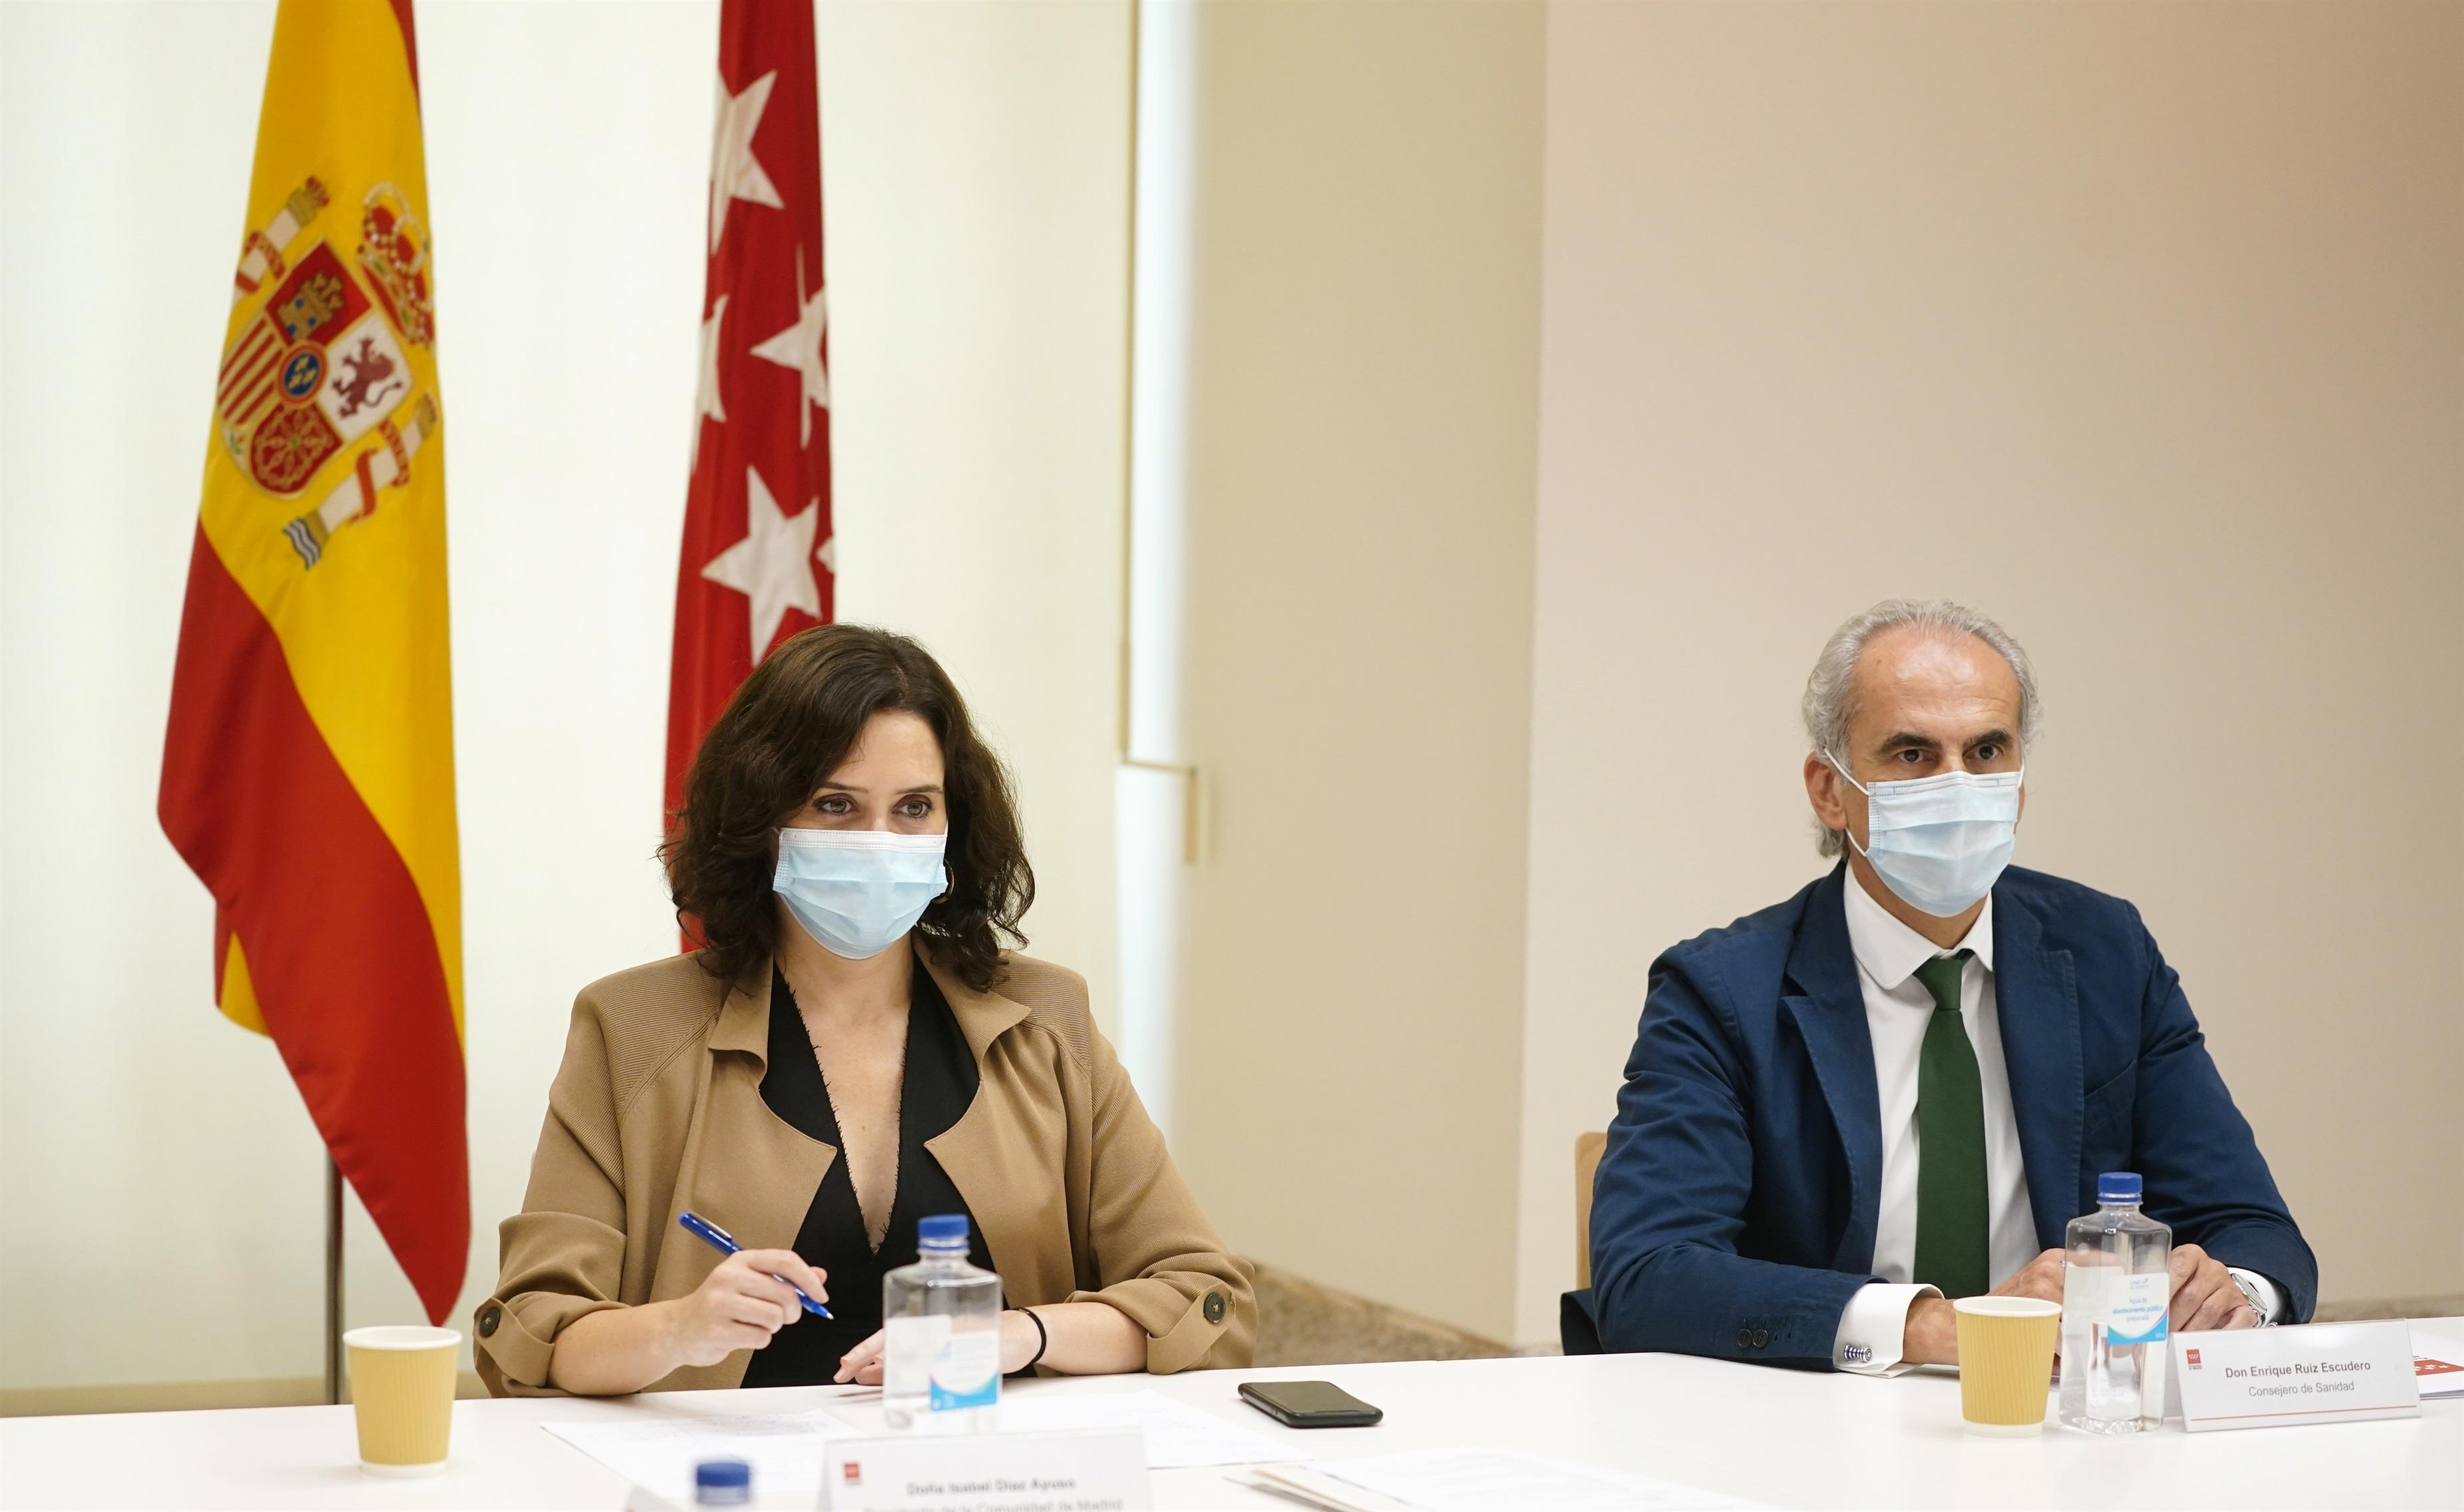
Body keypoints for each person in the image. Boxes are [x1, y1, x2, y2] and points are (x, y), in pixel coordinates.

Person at [475, 625, 1252, 1395]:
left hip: (984, 1471)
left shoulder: (1045, 1019)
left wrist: (1022, 1331)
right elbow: (536, 1331)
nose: (879, 841)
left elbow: (1203, 1299)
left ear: (954, 829)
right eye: (835, 804)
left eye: (914, 807)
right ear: (762, 824)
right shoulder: (631, 1027)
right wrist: (679, 1325)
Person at [1568, 599, 2313, 1372]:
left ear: (2019, 781)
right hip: (1812, 1432)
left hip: (2067, 1424)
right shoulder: (1721, 990)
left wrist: (2235, 1297)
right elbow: (1646, 1274)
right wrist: (1940, 1326)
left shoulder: (2105, 952)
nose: (1959, 783)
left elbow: (2253, 1225)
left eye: (1987, 749)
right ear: (1829, 789)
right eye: (1913, 754)